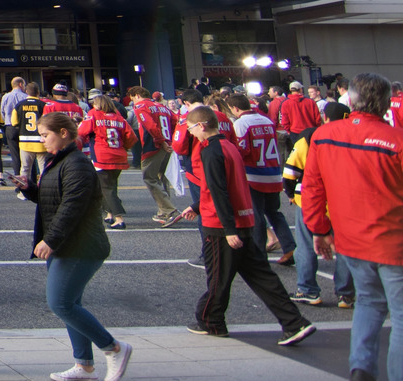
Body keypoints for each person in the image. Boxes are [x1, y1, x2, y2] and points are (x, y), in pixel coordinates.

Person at [301, 72, 403, 381]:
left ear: (351, 100)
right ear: (387, 101)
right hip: (394, 240)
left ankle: (361, 367)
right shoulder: (396, 140)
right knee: (401, 317)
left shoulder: (325, 136)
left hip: (350, 238)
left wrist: (319, 228)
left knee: (369, 304)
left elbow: (312, 186)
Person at [17, 111, 132, 381]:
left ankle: (113, 347)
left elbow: (72, 207)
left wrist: (50, 240)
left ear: (64, 134)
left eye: (46, 135)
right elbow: (55, 198)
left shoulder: (76, 163)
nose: (42, 141)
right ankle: (84, 364)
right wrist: (31, 189)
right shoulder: (60, 161)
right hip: (67, 245)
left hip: (80, 246)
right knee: (71, 304)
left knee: (61, 302)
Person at [184, 106, 315, 345]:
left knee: (218, 279)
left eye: (191, 128)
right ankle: (294, 322)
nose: (191, 133)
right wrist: (196, 206)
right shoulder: (229, 147)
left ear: (201, 125)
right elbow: (225, 185)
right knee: (262, 277)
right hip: (244, 218)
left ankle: (211, 320)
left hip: (222, 224)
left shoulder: (210, 151)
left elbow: (218, 190)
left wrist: (228, 228)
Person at [284, 101, 353, 307]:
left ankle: (308, 290)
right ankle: (346, 294)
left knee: (306, 245)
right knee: (345, 248)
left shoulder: (310, 136)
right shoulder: (352, 137)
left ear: (324, 116)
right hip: (343, 199)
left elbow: (290, 172)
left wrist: (289, 192)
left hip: (309, 197)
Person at [228, 92, 294, 265]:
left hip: (253, 175)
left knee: (256, 215)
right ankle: (289, 246)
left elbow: (243, 150)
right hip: (272, 171)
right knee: (274, 212)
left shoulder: (241, 123)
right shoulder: (266, 120)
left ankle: (258, 255)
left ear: (235, 108)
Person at [78, 95, 133, 229]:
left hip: (102, 156)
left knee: (105, 188)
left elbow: (82, 131)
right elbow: (131, 136)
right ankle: (109, 214)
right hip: (119, 155)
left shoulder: (93, 115)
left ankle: (119, 218)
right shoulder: (119, 117)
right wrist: (124, 147)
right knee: (111, 185)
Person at [126, 86, 179, 224]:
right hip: (167, 143)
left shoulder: (141, 106)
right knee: (162, 177)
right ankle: (164, 211)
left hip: (154, 145)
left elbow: (149, 125)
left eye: (132, 98)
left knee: (149, 177)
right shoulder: (162, 106)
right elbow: (175, 121)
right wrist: (170, 140)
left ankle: (169, 210)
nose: (132, 102)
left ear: (136, 95)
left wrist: (161, 141)